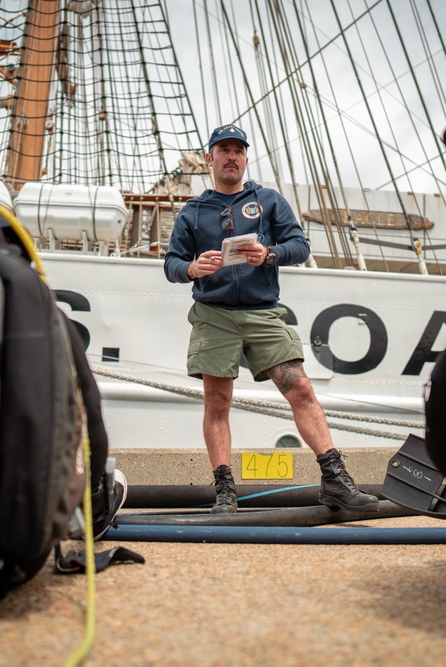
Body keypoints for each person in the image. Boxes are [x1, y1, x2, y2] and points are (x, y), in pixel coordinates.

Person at [163, 123, 379, 514]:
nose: (231, 156)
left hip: (263, 312)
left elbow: (300, 245)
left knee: (300, 390)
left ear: (245, 158)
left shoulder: (268, 201)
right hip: (214, 315)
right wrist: (192, 268)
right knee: (217, 402)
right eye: (223, 150)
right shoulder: (192, 212)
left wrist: (270, 254)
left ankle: (335, 481)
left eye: (238, 150)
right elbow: (171, 264)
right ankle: (225, 493)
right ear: (209, 158)